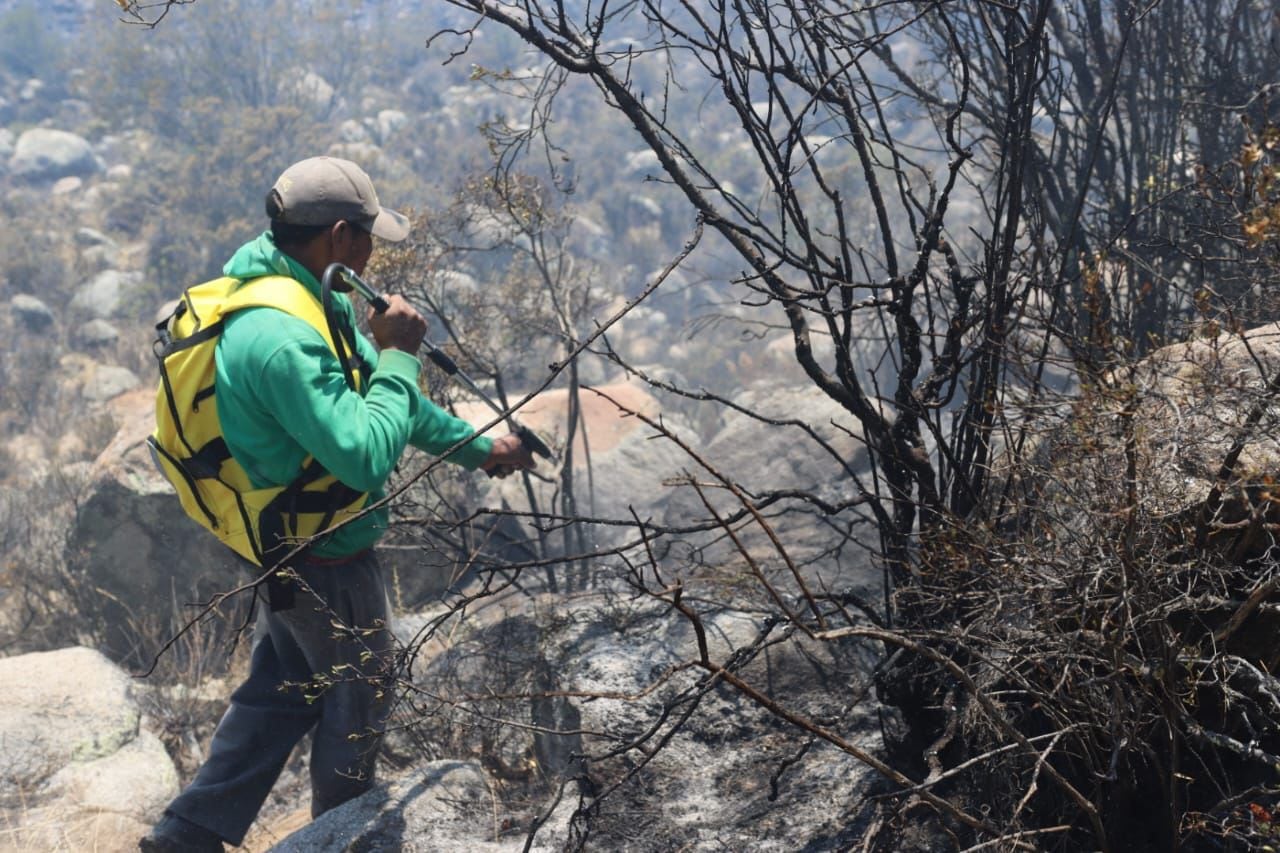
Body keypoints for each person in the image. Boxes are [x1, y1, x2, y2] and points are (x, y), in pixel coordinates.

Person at [140, 156, 535, 852]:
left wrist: (481, 447)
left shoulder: (296, 290)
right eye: (369, 237)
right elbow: (362, 452)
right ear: (341, 234)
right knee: (358, 700)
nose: (373, 252)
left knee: (285, 685)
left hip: (282, 540)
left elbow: (380, 398)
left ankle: (185, 836)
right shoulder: (283, 338)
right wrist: (402, 352)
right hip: (323, 556)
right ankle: (340, 839)